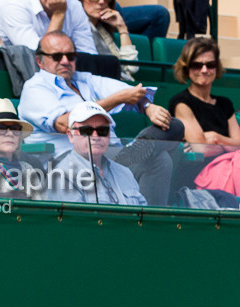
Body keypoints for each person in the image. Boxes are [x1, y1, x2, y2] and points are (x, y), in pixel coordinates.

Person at [20, 32, 182, 203]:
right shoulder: (34, 87)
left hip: (109, 153)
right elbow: (63, 123)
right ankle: (148, 222)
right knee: (159, 158)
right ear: (40, 61)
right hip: (70, 158)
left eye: (71, 56)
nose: (65, 61)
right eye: (57, 56)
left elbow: (132, 92)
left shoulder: (84, 80)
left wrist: (147, 106)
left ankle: (134, 157)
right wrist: (117, 99)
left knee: (174, 127)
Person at [44, 100, 143, 202]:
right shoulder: (62, 178)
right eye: (86, 130)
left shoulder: (124, 172)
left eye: (102, 130)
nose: (95, 136)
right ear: (70, 135)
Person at [168, 36, 240, 150]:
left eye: (210, 65)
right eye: (196, 65)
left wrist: (216, 138)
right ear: (187, 68)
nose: (204, 70)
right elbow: (202, 149)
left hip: (233, 162)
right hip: (204, 166)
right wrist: (229, 144)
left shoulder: (225, 103)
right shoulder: (181, 103)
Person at [80, 0, 139, 82]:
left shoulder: (102, 29)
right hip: (103, 85)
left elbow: (132, 67)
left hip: (123, 84)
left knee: (153, 92)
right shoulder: (79, 29)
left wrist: (122, 27)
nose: (101, 2)